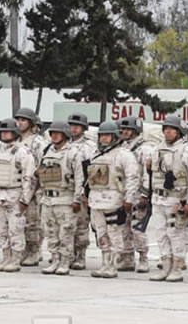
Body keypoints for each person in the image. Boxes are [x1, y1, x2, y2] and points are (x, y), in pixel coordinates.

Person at [147, 114, 188, 282]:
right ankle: (165, 266)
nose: (168, 132)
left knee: (175, 233)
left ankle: (177, 268)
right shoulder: (157, 149)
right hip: (158, 199)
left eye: (171, 129)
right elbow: (151, 174)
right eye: (166, 129)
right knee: (161, 235)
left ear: (179, 132)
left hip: (176, 200)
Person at [85, 121, 139, 278]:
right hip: (96, 201)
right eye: (102, 135)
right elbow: (88, 178)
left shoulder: (124, 155)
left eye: (107, 135)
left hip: (113, 200)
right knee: (101, 233)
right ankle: (105, 263)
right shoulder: (95, 154)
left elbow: (132, 178)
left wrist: (129, 199)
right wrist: (85, 194)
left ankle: (113, 265)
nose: (104, 138)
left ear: (115, 137)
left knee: (114, 233)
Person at [0, 119, 39, 273]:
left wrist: (25, 199)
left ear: (15, 133)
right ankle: (5, 258)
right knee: (1, 230)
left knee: (15, 229)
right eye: (2, 131)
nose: (4, 134)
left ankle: (16, 259)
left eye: (8, 131)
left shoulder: (22, 152)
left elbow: (29, 177)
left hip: (14, 195)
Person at [37, 121, 81, 275]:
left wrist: (77, 199)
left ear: (65, 134)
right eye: (52, 133)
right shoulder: (47, 151)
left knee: (66, 233)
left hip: (65, 198)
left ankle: (65, 261)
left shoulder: (73, 152)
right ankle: (54, 259)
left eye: (57, 133)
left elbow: (79, 178)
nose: (54, 136)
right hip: (48, 198)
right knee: (50, 232)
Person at [118, 115, 155, 272]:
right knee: (123, 228)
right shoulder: (122, 148)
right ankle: (127, 259)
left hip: (138, 194)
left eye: (128, 129)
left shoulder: (144, 149)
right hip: (124, 193)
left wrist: (145, 195)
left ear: (136, 131)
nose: (125, 132)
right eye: (123, 129)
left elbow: (148, 173)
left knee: (137, 228)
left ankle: (143, 259)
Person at [14, 107, 46, 267]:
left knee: (33, 223)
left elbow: (44, 164)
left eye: (23, 120)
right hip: (19, 185)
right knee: (21, 223)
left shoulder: (38, 142)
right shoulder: (17, 142)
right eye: (18, 120)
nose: (20, 123)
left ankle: (34, 251)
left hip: (35, 188)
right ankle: (26, 250)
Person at [66, 113, 97, 270]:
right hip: (65, 191)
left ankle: (80, 256)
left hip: (82, 191)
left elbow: (91, 172)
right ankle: (67, 255)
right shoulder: (63, 144)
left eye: (77, 126)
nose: (74, 128)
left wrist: (86, 194)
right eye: (72, 125)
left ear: (84, 128)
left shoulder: (90, 147)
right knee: (65, 226)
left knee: (81, 226)